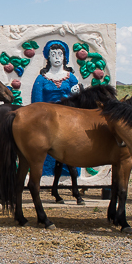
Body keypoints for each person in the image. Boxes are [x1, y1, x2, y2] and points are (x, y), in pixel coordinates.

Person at [31, 40, 80, 179]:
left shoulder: (71, 78)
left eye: (60, 54)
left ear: (65, 57)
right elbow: (36, 104)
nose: (57, 58)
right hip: (48, 122)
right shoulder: (41, 79)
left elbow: (79, 102)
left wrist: (77, 93)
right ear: (48, 57)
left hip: (68, 121)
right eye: (53, 54)